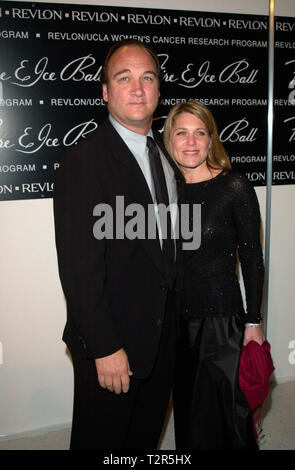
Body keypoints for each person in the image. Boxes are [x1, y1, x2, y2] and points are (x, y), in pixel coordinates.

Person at [53, 39, 184, 450]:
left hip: (162, 338)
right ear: (106, 92)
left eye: (148, 78)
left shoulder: (167, 154)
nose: (138, 88)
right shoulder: (84, 161)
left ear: (159, 91)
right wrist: (106, 347)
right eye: (123, 78)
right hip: (113, 343)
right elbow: (79, 268)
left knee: (142, 440)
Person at [163, 100, 265, 450]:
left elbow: (252, 258)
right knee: (189, 414)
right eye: (182, 133)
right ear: (170, 139)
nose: (191, 142)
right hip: (175, 321)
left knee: (226, 418)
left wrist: (253, 322)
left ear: (211, 139)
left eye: (199, 133)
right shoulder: (162, 192)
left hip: (221, 321)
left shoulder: (233, 186)